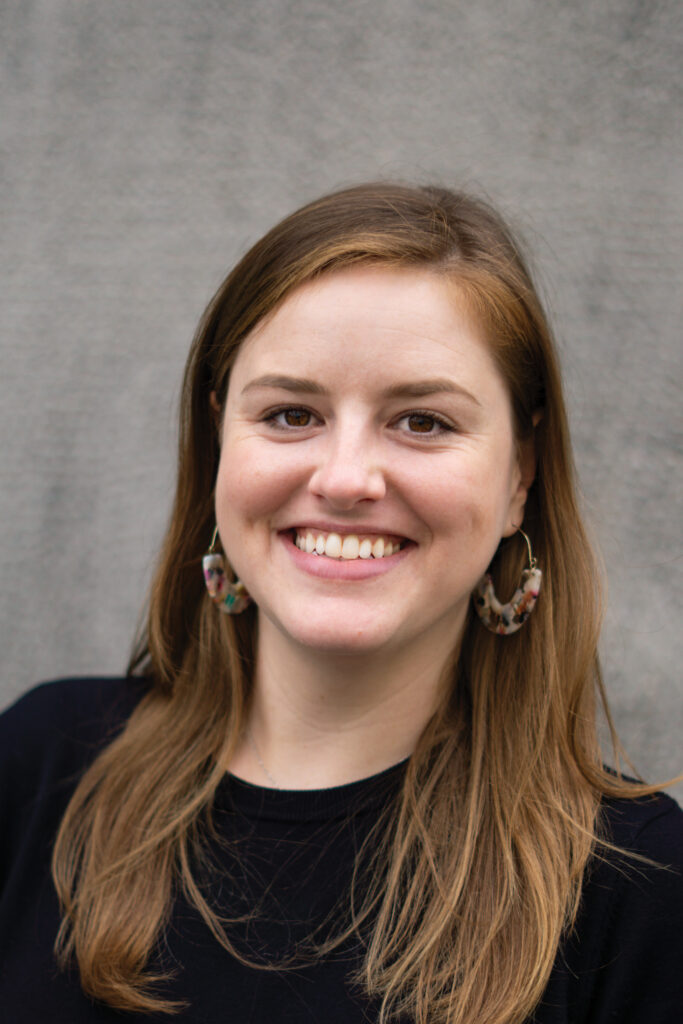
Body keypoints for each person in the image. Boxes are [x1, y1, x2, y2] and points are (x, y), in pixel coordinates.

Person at [1, 183, 681, 1024]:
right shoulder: (40, 769)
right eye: (291, 414)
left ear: (520, 475)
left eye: (423, 422)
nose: (345, 478)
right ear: (219, 439)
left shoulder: (635, 883)